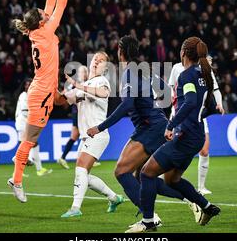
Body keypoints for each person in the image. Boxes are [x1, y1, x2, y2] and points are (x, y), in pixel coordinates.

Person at [87, 35, 189, 227]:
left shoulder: (129, 73)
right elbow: (167, 93)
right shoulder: (145, 69)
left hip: (149, 128)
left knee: (121, 172)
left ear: (121, 51)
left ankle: (148, 218)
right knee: (142, 175)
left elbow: (127, 105)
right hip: (156, 124)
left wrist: (100, 127)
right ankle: (190, 198)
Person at [128, 37, 221, 233]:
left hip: (185, 136)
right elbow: (211, 106)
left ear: (183, 53)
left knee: (146, 172)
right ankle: (206, 206)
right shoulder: (204, 74)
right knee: (172, 180)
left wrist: (172, 125)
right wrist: (196, 117)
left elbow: (189, 102)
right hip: (196, 136)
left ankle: (147, 222)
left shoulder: (187, 75)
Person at [7, 0, 79, 203]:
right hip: (41, 92)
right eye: (41, 14)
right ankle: (16, 179)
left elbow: (50, 4)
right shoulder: (45, 31)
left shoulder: (36, 30)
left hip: (46, 88)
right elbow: (60, 5)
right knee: (31, 139)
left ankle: (16, 176)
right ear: (40, 21)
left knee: (64, 104)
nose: (44, 12)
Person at [60, 52, 124, 218]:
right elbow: (64, 100)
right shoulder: (85, 84)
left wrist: (76, 84)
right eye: (95, 58)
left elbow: (103, 93)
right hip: (86, 136)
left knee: (81, 168)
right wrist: (52, 90)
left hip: (98, 133)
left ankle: (75, 208)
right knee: (83, 175)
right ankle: (114, 197)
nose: (97, 61)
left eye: (102, 60)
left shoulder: (102, 81)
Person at [168, 56, 224, 195]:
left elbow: (214, 89)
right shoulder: (177, 68)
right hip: (180, 115)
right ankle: (164, 179)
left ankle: (201, 187)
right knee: (172, 148)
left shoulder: (204, 71)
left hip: (198, 115)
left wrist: (219, 104)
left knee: (204, 150)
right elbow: (171, 88)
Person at [13, 78, 52, 176]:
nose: (28, 86)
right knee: (31, 144)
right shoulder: (24, 95)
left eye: (30, 84)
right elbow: (25, 111)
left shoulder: (31, 96)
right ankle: (34, 166)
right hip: (23, 123)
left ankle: (37, 168)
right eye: (26, 84)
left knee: (31, 144)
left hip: (26, 124)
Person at [57, 65, 88, 170]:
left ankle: (64, 157)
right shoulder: (76, 84)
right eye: (82, 72)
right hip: (78, 112)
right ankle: (83, 158)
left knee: (76, 136)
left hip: (80, 112)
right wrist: (59, 96)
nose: (84, 74)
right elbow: (64, 93)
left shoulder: (85, 84)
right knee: (82, 134)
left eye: (84, 72)